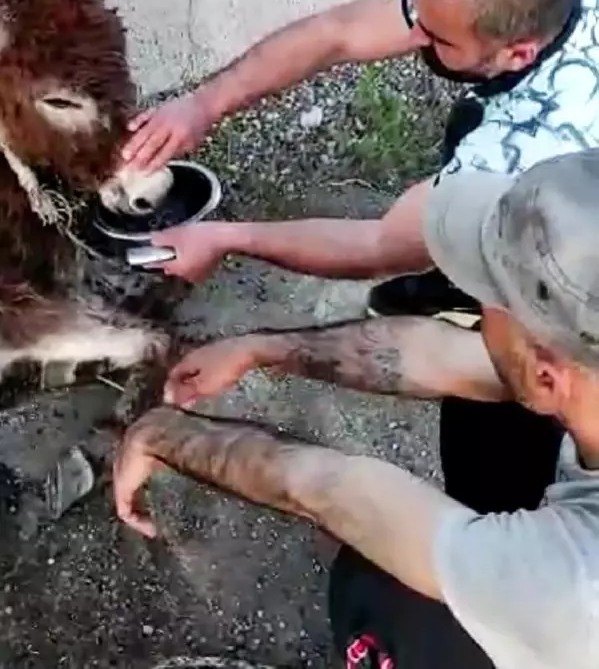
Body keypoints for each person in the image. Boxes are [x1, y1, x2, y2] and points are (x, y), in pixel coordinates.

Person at [122, 0, 599, 511]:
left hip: (574, 296)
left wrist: (228, 238)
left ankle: (493, 527)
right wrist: (203, 104)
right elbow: (338, 33)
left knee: (495, 455)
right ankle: (441, 284)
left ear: (518, 54)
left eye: (435, 37)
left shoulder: (516, 159)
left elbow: (377, 245)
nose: (413, 37)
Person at [113, 149, 599, 669]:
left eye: (488, 294)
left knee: (390, 599)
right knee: (494, 409)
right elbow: (454, 361)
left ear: (551, 374)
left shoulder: (572, 590)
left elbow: (333, 492)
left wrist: (162, 434)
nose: (477, 303)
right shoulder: (577, 376)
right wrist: (262, 349)